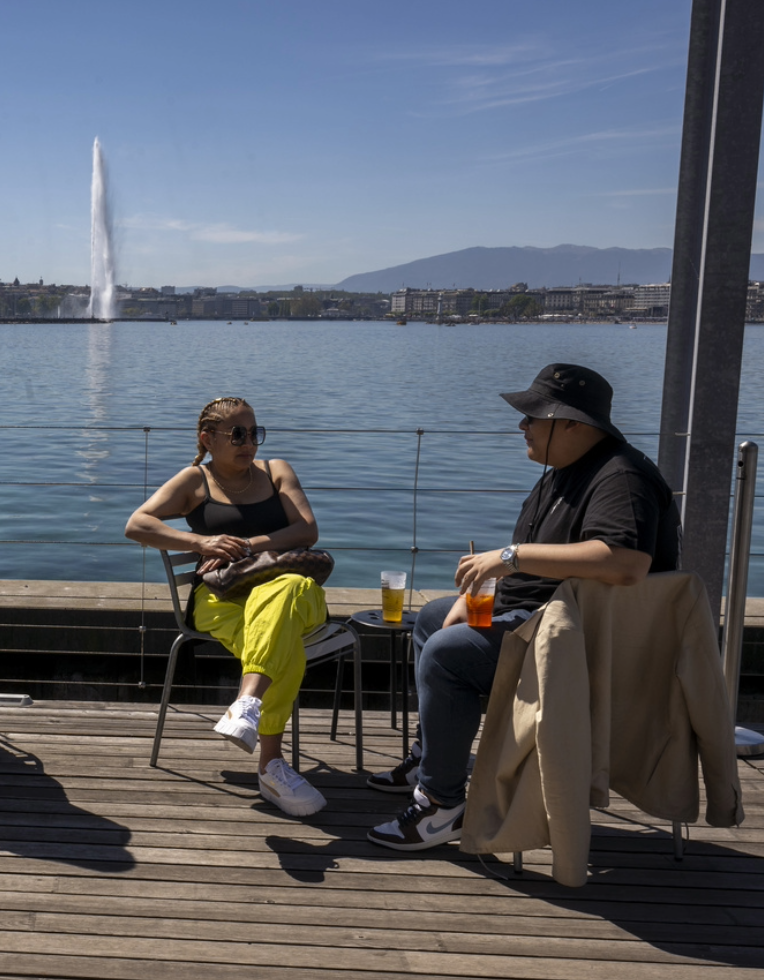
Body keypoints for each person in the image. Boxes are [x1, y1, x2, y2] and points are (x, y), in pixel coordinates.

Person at [367, 363, 680, 851]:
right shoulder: (564, 473)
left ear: (573, 424)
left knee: (449, 654)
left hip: (580, 646)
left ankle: (441, 804)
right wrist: (478, 593)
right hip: (544, 621)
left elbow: (626, 562)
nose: (522, 426)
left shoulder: (622, 477)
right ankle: (434, 757)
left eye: (533, 417)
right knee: (432, 618)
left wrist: (509, 558)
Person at [125, 396, 330, 817]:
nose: (248, 442)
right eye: (237, 434)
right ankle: (271, 766)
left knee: (284, 590)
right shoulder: (194, 481)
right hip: (220, 600)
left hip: (295, 592)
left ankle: (248, 703)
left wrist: (248, 546)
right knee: (281, 643)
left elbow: (306, 530)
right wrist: (200, 542)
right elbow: (137, 524)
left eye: (255, 433)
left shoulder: (276, 472)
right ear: (208, 438)